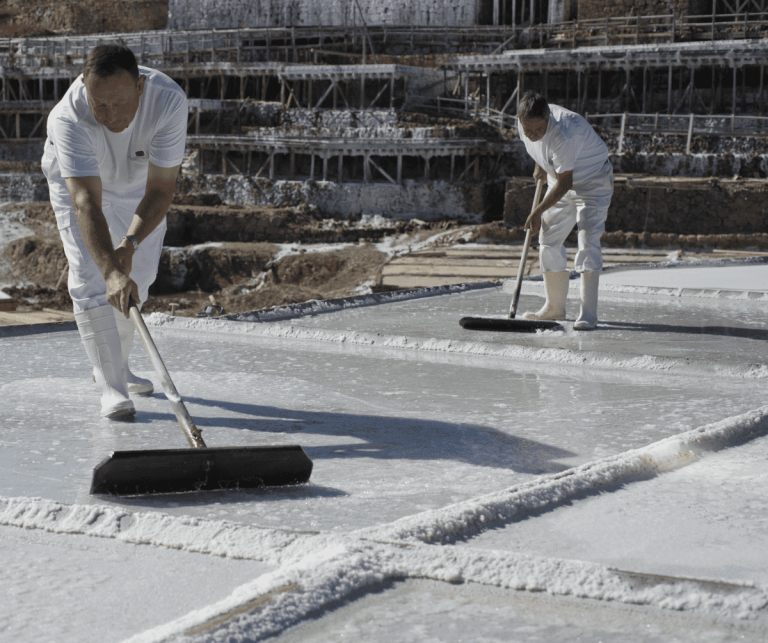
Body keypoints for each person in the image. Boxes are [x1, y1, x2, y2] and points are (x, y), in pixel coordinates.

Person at [41, 44, 188, 418]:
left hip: (140, 186)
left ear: (140, 86)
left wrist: (130, 244)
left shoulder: (168, 101)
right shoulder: (68, 117)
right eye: (99, 105)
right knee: (93, 277)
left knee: (140, 275)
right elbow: (85, 203)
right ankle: (110, 386)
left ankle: (118, 365)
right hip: (79, 184)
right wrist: (109, 269)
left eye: (119, 104)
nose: (109, 116)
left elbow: (161, 190)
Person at [516, 91, 613, 330]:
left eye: (538, 130)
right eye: (528, 130)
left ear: (548, 119)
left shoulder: (567, 132)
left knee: (588, 240)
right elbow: (540, 146)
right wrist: (540, 163)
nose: (532, 134)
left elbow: (565, 183)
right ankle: (554, 307)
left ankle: (588, 313)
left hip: (592, 180)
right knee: (548, 238)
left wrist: (537, 211)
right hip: (559, 177)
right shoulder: (525, 123)